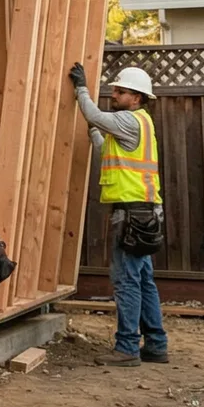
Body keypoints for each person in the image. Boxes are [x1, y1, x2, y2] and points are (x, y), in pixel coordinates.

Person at [70, 63, 167, 367]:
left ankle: (127, 347)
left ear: (137, 98)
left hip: (132, 215)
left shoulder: (129, 120)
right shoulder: (140, 123)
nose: (115, 94)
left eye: (121, 91)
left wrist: (81, 89)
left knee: (126, 281)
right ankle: (156, 344)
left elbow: (94, 114)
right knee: (143, 280)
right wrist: (97, 136)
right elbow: (109, 154)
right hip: (145, 211)